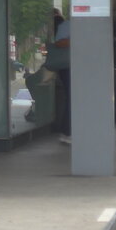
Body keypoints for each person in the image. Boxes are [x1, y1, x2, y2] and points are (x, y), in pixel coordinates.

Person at [47, 8, 72, 143]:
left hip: (74, 67)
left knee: (73, 98)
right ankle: (66, 131)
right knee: (72, 98)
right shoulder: (66, 26)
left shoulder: (66, 25)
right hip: (68, 67)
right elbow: (59, 42)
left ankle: (68, 130)